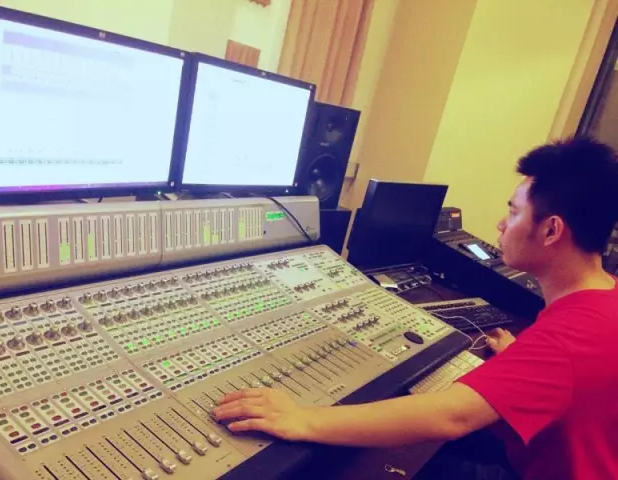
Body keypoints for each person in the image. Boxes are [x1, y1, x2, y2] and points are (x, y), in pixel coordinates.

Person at [214, 137, 618, 480]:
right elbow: (576, 380)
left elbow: (451, 417)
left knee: (384, 465)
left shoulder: (567, 340)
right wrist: (523, 364)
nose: (501, 224)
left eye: (513, 212)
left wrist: (302, 418)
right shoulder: (603, 300)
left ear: (551, 230)